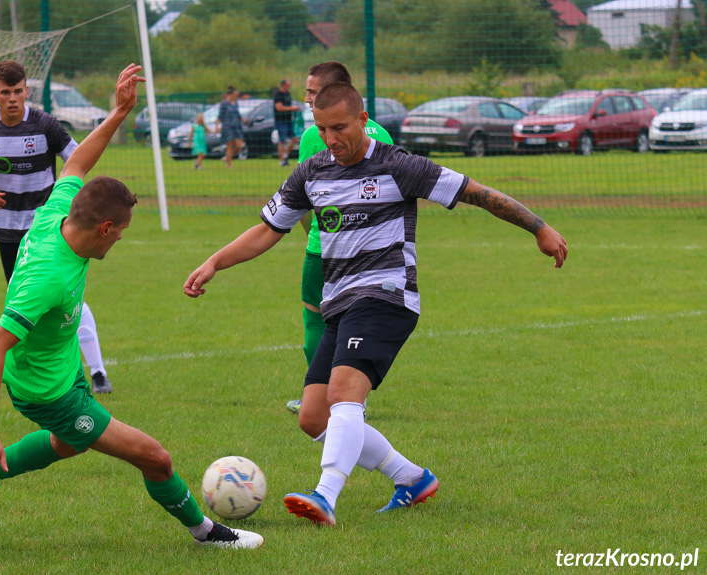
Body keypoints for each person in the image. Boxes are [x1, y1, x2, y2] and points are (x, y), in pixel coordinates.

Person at [184, 82, 568, 526]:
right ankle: (412, 478)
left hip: (387, 296)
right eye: (323, 128)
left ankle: (325, 495)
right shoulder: (310, 173)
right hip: (340, 303)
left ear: (363, 121)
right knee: (313, 416)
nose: (331, 138)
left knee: (346, 393)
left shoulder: (397, 165)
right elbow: (268, 229)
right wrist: (215, 262)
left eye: (340, 127)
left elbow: (475, 192)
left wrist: (538, 227)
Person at [0, 63, 263, 550]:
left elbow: (75, 165)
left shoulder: (56, 214)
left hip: (61, 370)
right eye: (122, 231)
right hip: (48, 391)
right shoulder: (49, 277)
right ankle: (208, 533)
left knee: (66, 444)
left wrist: (119, 112)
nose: (122, 240)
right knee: (156, 458)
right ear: (104, 228)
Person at [0, 60, 113, 394]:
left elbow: (77, 160)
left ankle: (98, 371)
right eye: (6, 92)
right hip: (7, 228)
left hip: (48, 230)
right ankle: (32, 373)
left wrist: (61, 207)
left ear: (26, 91)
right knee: (25, 302)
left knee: (64, 298)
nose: (13, 98)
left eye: (18, 91)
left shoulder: (46, 125)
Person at [286, 61, 394, 416]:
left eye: (313, 92)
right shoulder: (380, 131)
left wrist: (312, 237)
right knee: (359, 323)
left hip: (327, 248)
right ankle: (353, 396)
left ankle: (317, 395)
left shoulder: (313, 135)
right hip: (377, 255)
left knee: (317, 321)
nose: (306, 98)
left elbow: (304, 200)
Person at [274, 79, 301, 167]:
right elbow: (279, 108)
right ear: (283, 85)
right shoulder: (278, 95)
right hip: (280, 121)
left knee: (294, 139)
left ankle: (285, 155)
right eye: (288, 85)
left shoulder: (288, 94)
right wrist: (291, 108)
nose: (289, 87)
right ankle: (282, 161)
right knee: (282, 141)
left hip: (289, 120)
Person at [216, 86, 244, 168]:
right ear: (231, 94)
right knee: (230, 145)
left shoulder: (236, 103)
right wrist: (217, 126)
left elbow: (238, 114)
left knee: (239, 145)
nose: (237, 96)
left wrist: (243, 120)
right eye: (236, 94)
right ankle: (229, 164)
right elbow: (220, 116)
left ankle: (227, 157)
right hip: (228, 127)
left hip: (237, 127)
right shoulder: (224, 104)